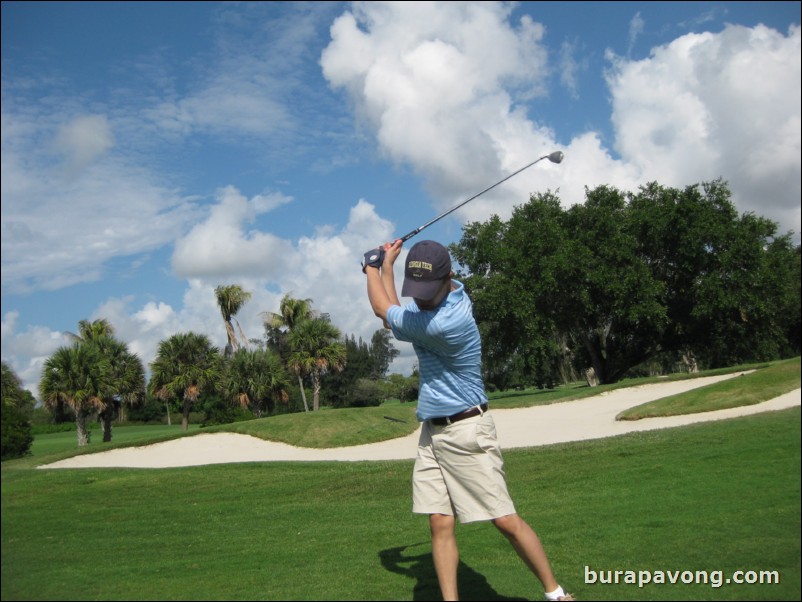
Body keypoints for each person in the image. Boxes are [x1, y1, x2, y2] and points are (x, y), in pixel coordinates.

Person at [363, 238, 574, 602]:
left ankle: (555, 593)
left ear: (449, 278)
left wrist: (371, 265)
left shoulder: (446, 323)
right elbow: (396, 311)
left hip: (467, 430)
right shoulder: (451, 297)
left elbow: (384, 310)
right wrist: (388, 267)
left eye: (428, 290)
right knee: (439, 521)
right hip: (433, 431)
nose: (423, 298)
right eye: (419, 290)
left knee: (504, 519)